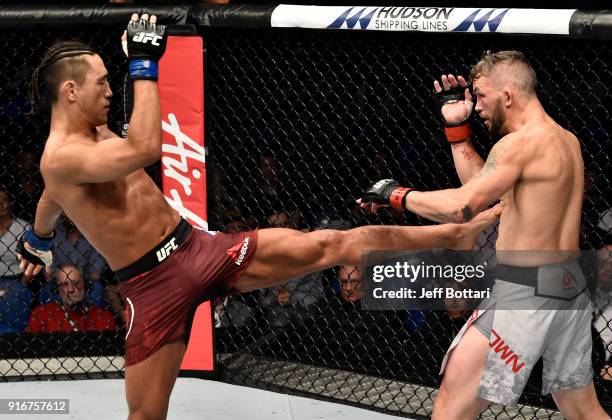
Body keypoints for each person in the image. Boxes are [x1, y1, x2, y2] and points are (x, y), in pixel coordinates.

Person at [18, 14, 499, 420]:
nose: (108, 90)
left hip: (197, 249)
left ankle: (454, 234)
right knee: (146, 415)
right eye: (101, 83)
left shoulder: (90, 136)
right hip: (152, 287)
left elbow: (50, 201)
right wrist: (143, 66)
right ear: (71, 90)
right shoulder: (61, 157)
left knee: (329, 244)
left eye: (110, 80)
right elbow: (145, 147)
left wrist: (37, 242)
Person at [360, 50, 607, 419]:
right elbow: (484, 187)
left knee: (450, 408)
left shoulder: (518, 144)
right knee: (581, 407)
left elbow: (463, 206)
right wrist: (456, 130)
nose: (476, 106)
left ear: (507, 95)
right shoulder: (564, 141)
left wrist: (397, 195)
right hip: (567, 287)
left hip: (524, 291)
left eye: (481, 95)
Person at [26, 264, 116, 333]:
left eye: (76, 283)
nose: (71, 289)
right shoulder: (41, 314)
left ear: (84, 284)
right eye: (64, 284)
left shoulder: (104, 317)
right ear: (58, 288)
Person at [0, 186, 32, 332]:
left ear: (11, 203)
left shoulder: (23, 228)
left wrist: (22, 284)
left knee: (13, 297)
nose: (2, 205)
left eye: (5, 201)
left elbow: (33, 261)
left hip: (15, 279)